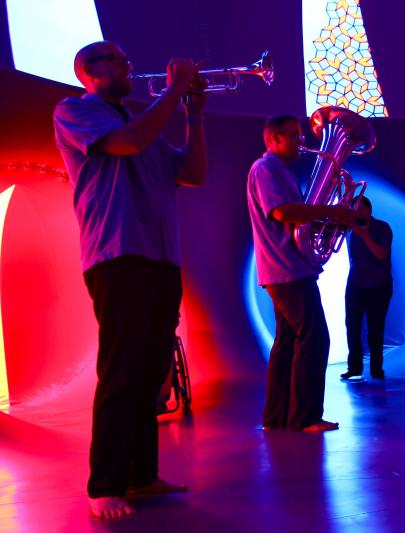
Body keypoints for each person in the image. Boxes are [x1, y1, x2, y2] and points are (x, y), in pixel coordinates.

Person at [53, 41, 207, 520]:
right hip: (117, 254)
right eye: (116, 60)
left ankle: (141, 475)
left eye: (125, 58)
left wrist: (193, 115)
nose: (127, 64)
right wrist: (173, 91)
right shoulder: (75, 111)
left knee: (150, 373)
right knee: (122, 371)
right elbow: (127, 145)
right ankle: (105, 485)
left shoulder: (146, 125)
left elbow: (194, 174)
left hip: (161, 256)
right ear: (87, 72)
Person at [247, 115, 357, 432]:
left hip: (284, 268)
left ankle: (277, 416)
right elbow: (283, 212)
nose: (301, 142)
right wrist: (331, 212)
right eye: (294, 136)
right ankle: (305, 417)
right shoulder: (266, 169)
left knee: (286, 342)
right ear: (273, 137)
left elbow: (294, 219)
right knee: (314, 338)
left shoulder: (277, 171)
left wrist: (326, 221)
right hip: (287, 270)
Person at [340, 196, 393, 380]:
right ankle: (354, 368)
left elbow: (381, 254)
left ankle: (376, 369)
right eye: (355, 209)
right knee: (352, 327)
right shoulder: (350, 227)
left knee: (375, 329)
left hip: (379, 285)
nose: (358, 212)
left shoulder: (382, 227)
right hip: (355, 284)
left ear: (370, 209)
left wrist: (364, 235)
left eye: (362, 209)